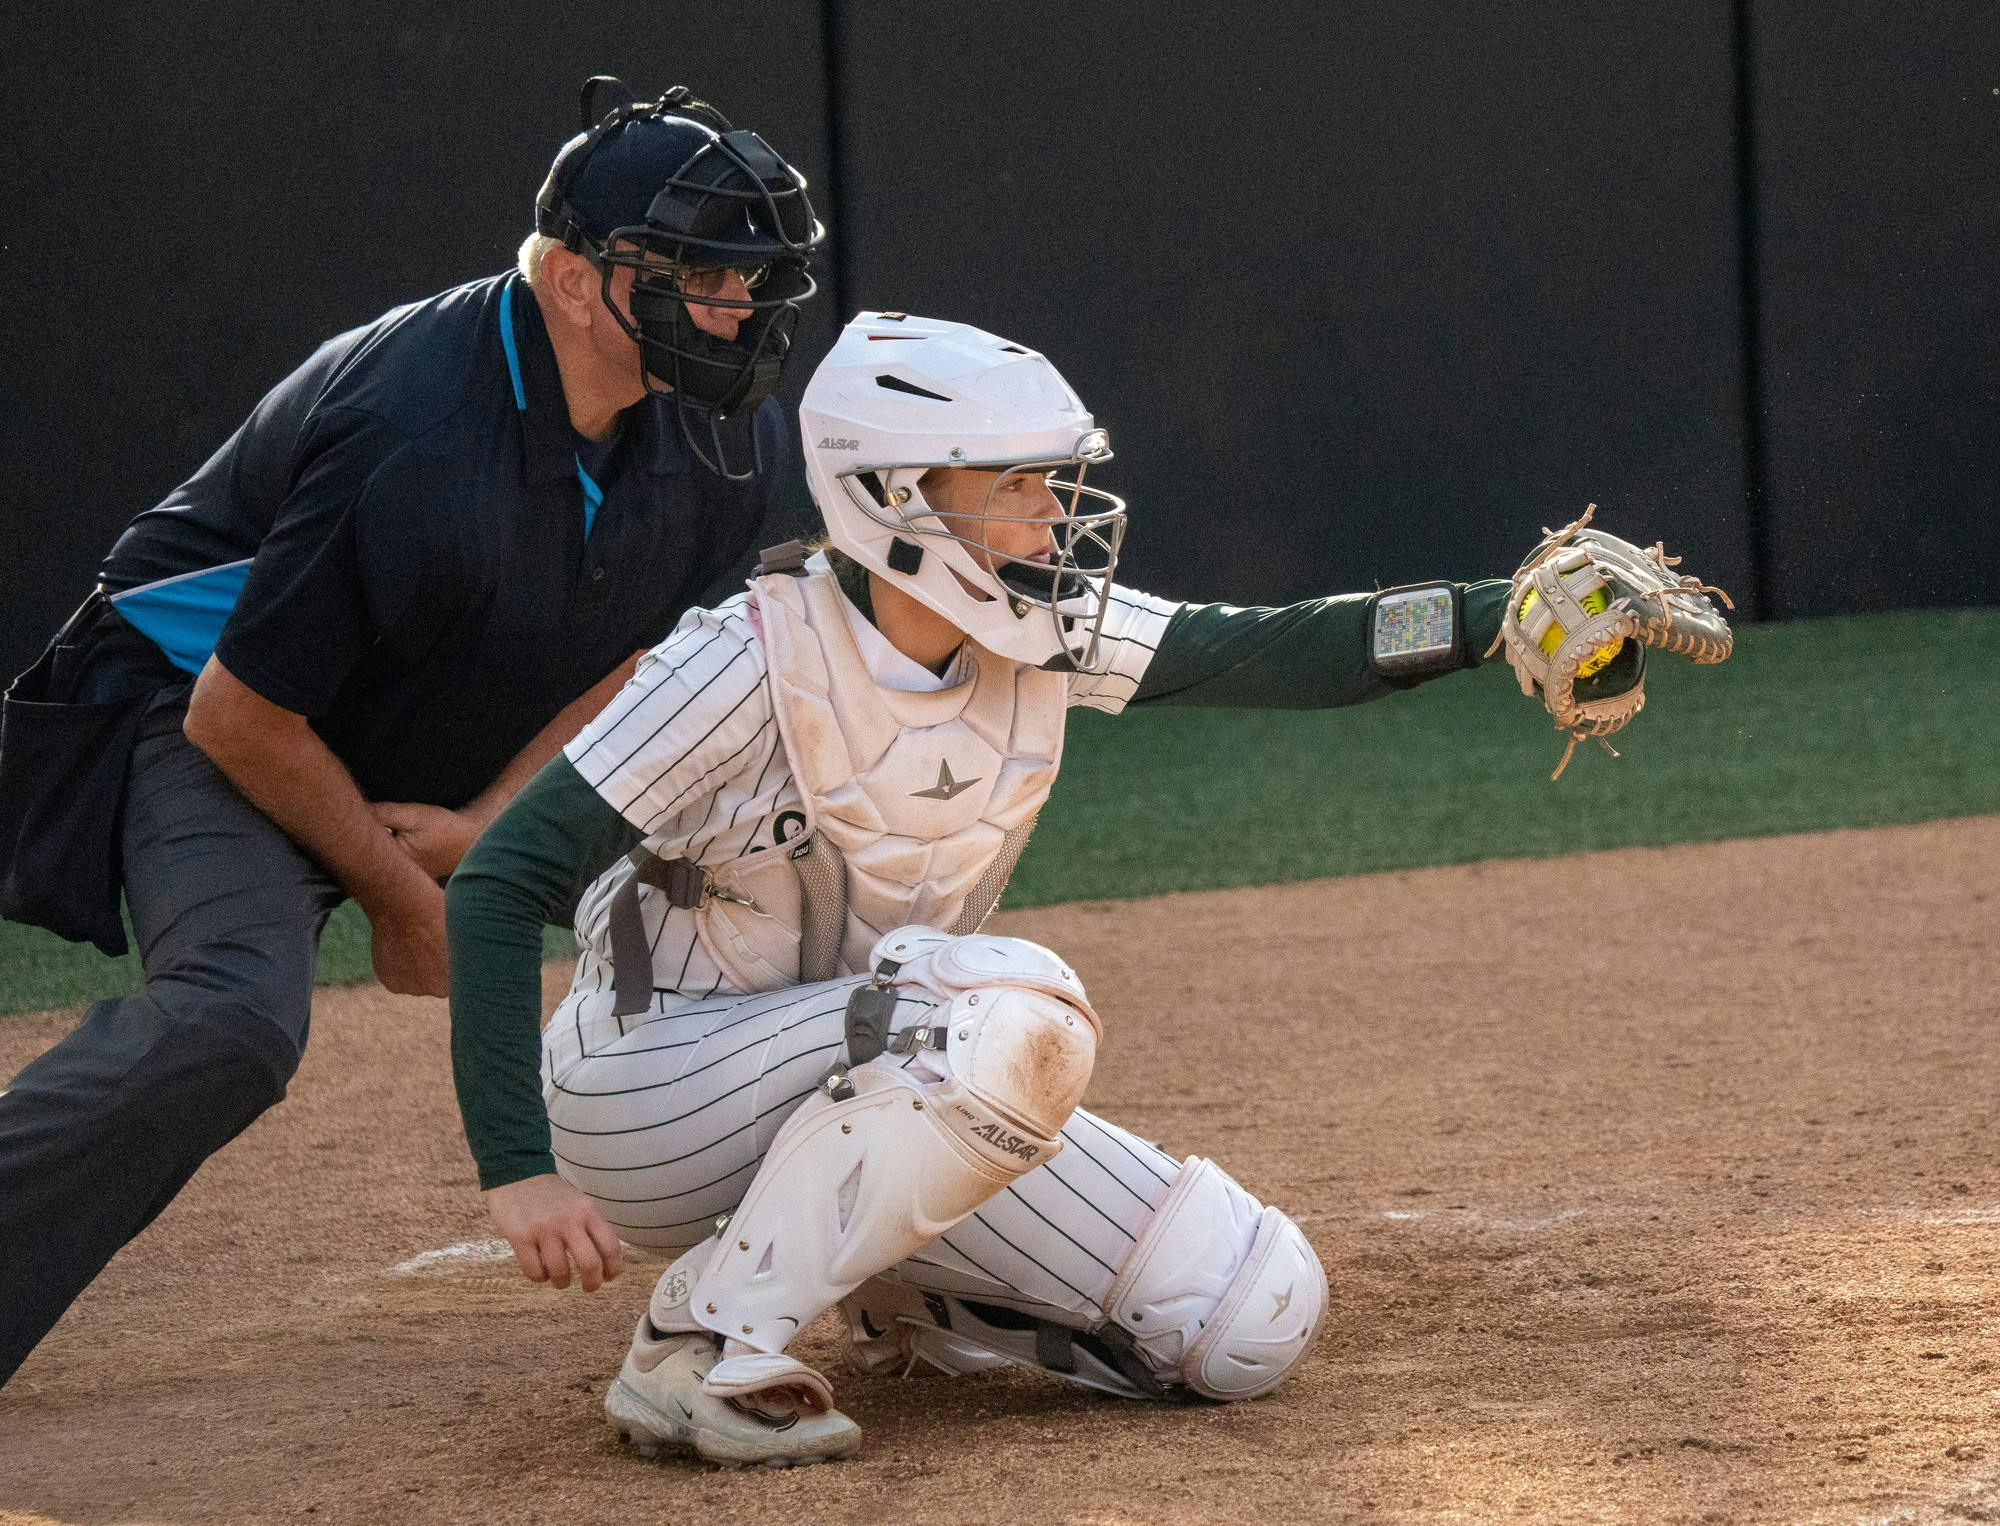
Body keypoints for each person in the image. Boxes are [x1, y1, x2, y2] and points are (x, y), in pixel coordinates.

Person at [446, 311, 1723, 1467]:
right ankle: (697, 1344)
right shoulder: (744, 658)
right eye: (1017, 488)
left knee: (1247, 1310)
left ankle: (897, 1284)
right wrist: (520, 1170)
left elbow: (1268, 648)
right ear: (895, 498)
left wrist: (1499, 613)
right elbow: (501, 880)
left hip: (862, 1071)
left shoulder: (1035, 628)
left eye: (1053, 487)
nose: (1053, 521)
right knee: (1011, 1013)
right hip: (644, 1097)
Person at [0, 80, 823, 1387]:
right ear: (571, 281)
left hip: (446, 713)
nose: (741, 306)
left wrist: (487, 824)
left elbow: (630, 656)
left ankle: (867, 1228)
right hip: (216, 717)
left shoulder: (724, 436)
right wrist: (403, 896)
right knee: (232, 1020)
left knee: (784, 839)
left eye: (754, 274)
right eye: (707, 273)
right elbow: (241, 711)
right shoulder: (415, 427)